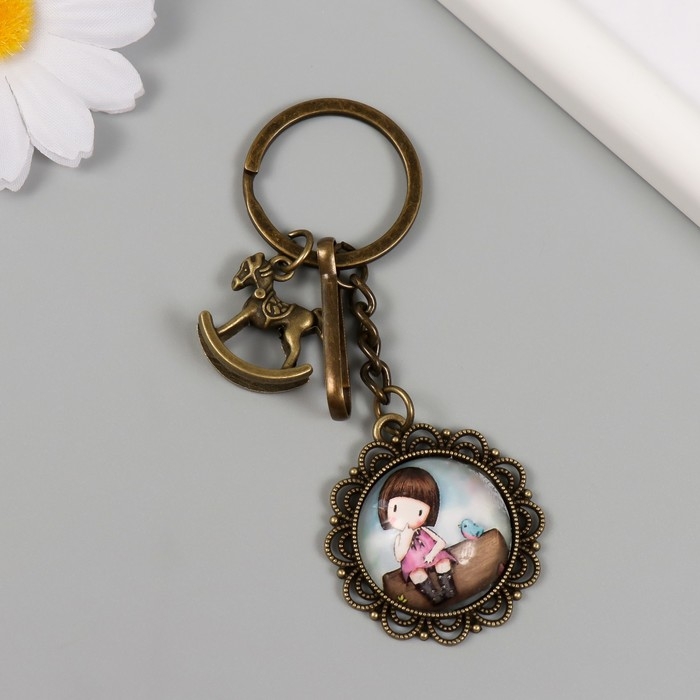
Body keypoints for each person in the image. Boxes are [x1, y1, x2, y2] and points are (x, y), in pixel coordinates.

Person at [378, 466, 456, 605]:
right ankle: (434, 597)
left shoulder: (424, 530)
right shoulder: (400, 537)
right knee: (417, 575)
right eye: (396, 509)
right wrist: (406, 538)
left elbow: (441, 543)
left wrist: (432, 554)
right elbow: (399, 556)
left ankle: (448, 590)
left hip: (433, 556)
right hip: (414, 564)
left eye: (419, 511)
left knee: (443, 563)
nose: (407, 516)